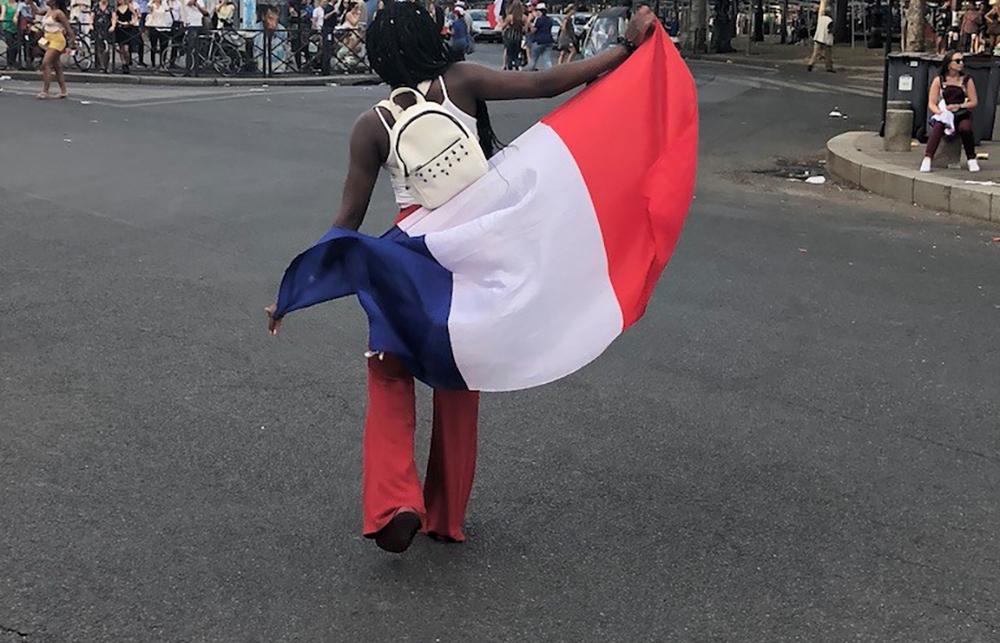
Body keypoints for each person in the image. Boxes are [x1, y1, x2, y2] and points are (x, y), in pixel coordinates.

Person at [264, 0, 656, 554]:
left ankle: (393, 500)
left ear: (379, 55)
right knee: (459, 380)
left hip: (410, 257)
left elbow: (345, 226)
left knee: (389, 375)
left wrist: (290, 295)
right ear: (433, 39)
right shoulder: (463, 81)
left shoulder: (370, 126)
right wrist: (627, 50)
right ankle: (446, 515)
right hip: (473, 254)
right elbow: (546, 83)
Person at [921, 50, 980, 173]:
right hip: (945, 114)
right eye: (957, 61)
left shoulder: (966, 80)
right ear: (949, 64)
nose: (961, 63)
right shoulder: (939, 80)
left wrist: (960, 106)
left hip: (961, 113)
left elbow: (974, 101)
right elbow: (931, 102)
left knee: (965, 128)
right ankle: (927, 157)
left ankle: (971, 158)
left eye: (962, 61)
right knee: (938, 126)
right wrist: (938, 112)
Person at [33, 0, 74, 98]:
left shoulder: (58, 13)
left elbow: (68, 28)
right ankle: (63, 91)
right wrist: (30, 3)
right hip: (49, 39)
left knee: (46, 63)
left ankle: (45, 91)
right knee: (57, 66)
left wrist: (73, 41)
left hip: (57, 40)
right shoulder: (48, 11)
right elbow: (37, 11)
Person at [110, 0, 137, 73]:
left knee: (126, 49)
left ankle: (127, 62)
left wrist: (132, 22)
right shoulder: (116, 9)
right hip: (119, 29)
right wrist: (115, 24)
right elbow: (114, 17)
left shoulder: (129, 6)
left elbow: (135, 15)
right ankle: (124, 64)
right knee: (121, 48)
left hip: (127, 29)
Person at [180, 0, 206, 76]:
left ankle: (196, 70)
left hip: (200, 25)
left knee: (198, 49)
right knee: (190, 48)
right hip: (191, 25)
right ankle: (188, 70)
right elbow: (189, 3)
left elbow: (204, 12)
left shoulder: (200, 1)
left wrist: (198, 5)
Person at [500, 0, 527, 70]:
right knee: (517, 51)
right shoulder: (524, 17)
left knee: (509, 51)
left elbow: (503, 26)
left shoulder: (510, 17)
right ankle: (517, 64)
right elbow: (526, 29)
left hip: (509, 36)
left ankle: (509, 65)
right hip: (518, 36)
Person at [807, 6, 833, 72]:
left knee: (815, 53)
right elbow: (830, 30)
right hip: (826, 39)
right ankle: (829, 67)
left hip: (818, 37)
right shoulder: (830, 20)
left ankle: (810, 64)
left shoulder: (820, 19)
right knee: (828, 54)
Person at [528, 1, 553, 70]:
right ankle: (550, 73)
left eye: (537, 10)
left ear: (540, 11)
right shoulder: (550, 19)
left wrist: (530, 23)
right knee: (547, 59)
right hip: (548, 41)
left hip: (538, 41)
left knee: (533, 59)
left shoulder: (539, 19)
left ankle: (528, 72)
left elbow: (533, 31)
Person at [145, 0, 170, 67]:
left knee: (163, 46)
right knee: (153, 46)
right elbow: (149, 11)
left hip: (163, 26)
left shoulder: (164, 4)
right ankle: (153, 63)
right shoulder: (151, 4)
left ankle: (162, 63)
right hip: (154, 26)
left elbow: (168, 10)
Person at [92, 0, 112, 70]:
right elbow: (92, 15)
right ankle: (102, 66)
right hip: (98, 28)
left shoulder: (110, 6)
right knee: (99, 47)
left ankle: (106, 64)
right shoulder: (96, 6)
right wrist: (90, 24)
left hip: (107, 29)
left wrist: (113, 25)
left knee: (107, 48)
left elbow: (114, 16)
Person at [1, 0, 18, 69]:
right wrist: (2, 17)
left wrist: (15, 17)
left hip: (16, 28)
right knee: (10, 44)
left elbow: (17, 14)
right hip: (7, 26)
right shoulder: (5, 4)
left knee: (16, 45)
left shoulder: (18, 5)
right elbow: (3, 13)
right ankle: (9, 63)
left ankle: (13, 62)